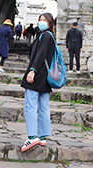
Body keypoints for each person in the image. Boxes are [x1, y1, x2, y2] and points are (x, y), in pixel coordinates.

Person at [20, 13, 56, 152]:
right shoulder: (49, 36)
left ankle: (32, 137)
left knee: (30, 106)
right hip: (45, 77)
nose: (41, 22)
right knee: (43, 107)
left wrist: (32, 70)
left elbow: (40, 54)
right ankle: (42, 137)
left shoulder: (45, 35)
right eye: (40, 20)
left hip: (37, 74)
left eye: (44, 20)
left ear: (50, 23)